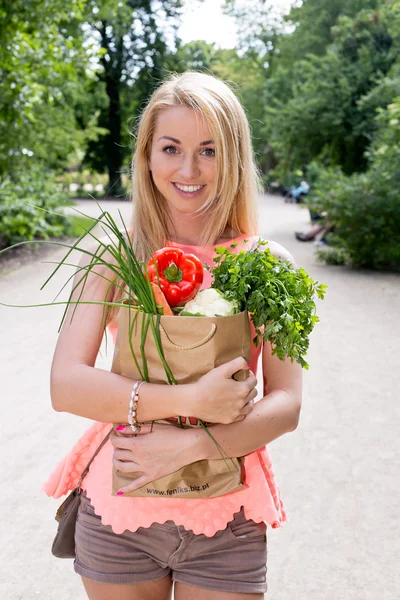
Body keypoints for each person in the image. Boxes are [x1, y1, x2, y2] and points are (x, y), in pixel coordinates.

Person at [44, 71, 302, 600]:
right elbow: (65, 385)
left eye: (209, 150)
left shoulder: (269, 267)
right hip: (120, 510)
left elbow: (288, 404)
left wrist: (189, 446)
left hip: (228, 517)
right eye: (171, 148)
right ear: (147, 157)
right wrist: (188, 399)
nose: (189, 169)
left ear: (233, 156)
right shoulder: (112, 256)